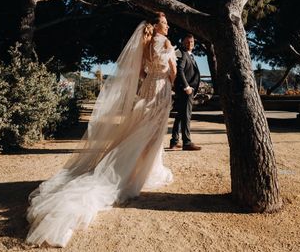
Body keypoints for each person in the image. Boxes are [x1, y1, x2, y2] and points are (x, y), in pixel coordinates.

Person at [26, 13, 177, 247]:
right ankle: (142, 172)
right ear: (156, 26)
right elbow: (173, 71)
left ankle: (138, 168)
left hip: (146, 87)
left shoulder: (145, 44)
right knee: (153, 134)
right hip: (160, 90)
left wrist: (151, 76)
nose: (167, 26)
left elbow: (140, 73)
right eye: (165, 23)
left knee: (140, 130)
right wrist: (167, 82)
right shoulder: (165, 43)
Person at [169, 34, 202, 151]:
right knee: (186, 115)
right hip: (185, 90)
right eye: (187, 42)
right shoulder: (181, 52)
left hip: (189, 90)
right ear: (182, 42)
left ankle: (174, 141)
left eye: (192, 42)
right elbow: (180, 71)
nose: (190, 44)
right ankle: (187, 142)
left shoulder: (191, 55)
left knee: (180, 115)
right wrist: (187, 87)